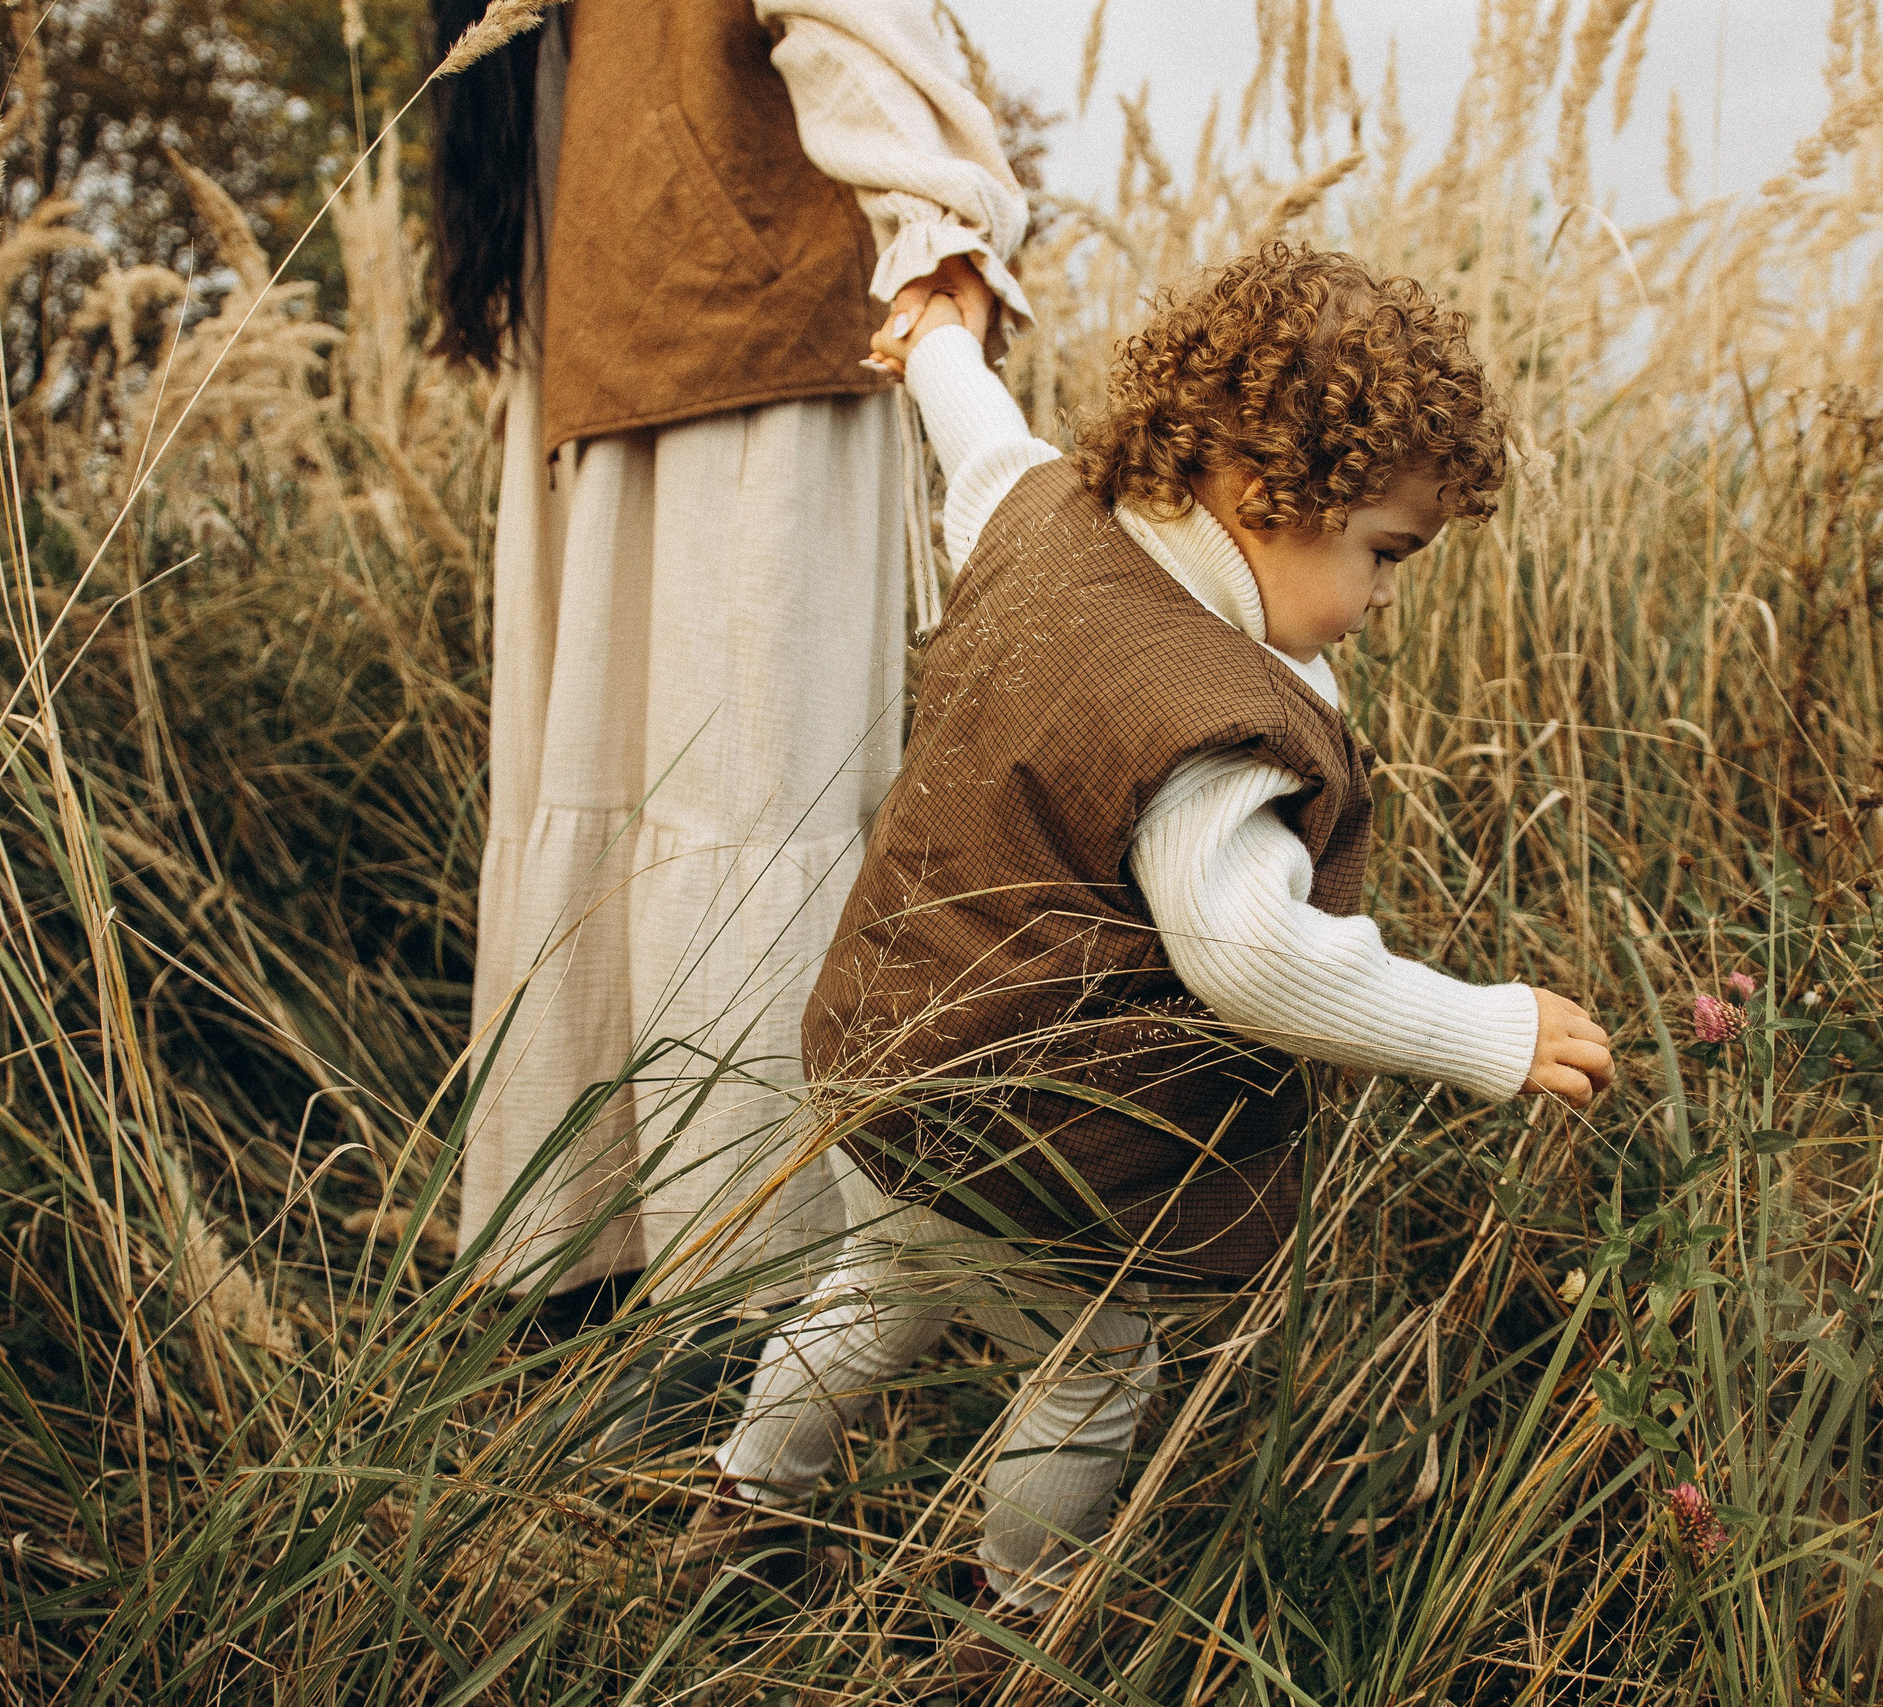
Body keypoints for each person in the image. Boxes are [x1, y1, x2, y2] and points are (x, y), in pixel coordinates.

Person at [668, 243, 1616, 1680]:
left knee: (874, 1289)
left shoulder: (1044, 518)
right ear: (1262, 501)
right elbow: (1247, 952)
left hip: (892, 1062)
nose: (1380, 599)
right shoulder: (1207, 719)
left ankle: (739, 1505)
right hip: (1057, 1147)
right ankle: (1011, 1625)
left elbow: (977, 438)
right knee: (1095, 1366)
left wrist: (934, 336)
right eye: (1382, 553)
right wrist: (1482, 1032)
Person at [427, 0, 1034, 1302]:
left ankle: (625, 1267)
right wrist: (941, 229)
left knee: (689, 809)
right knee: (751, 804)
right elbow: (844, 30)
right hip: (734, 377)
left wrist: (934, 229)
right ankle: (747, 1295)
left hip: (641, 367)